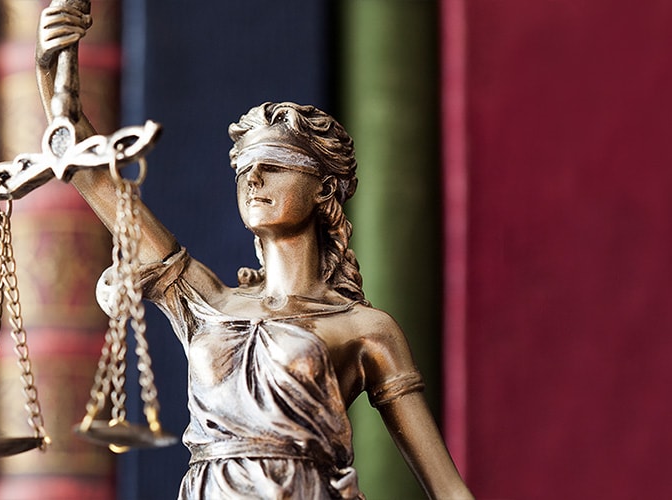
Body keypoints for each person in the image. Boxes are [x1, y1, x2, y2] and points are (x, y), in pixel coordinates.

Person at [36, 4, 473, 499]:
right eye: (245, 169)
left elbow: (448, 490)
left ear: (324, 190)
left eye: (276, 164)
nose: (254, 180)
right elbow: (90, 170)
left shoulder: (365, 329)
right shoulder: (205, 302)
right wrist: (56, 72)